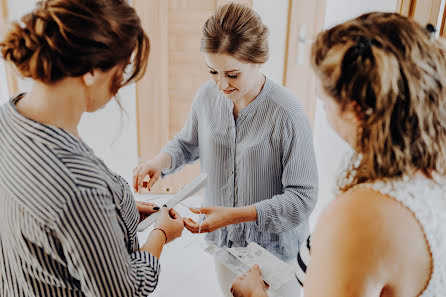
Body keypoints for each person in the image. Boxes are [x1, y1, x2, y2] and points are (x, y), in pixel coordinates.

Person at [231, 12, 446, 297]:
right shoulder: (434, 175)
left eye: (323, 101)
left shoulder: (359, 218)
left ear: (355, 110)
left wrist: (254, 296)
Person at [0, 0, 184, 296]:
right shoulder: (79, 188)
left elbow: (49, 226)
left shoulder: (9, 118)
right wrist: (161, 234)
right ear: (92, 71)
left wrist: (112, 215)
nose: (121, 81)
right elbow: (124, 291)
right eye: (122, 70)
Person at [133, 2, 318, 296]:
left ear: (259, 60)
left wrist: (237, 215)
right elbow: (186, 143)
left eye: (232, 75)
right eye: (212, 72)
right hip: (224, 245)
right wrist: (160, 161)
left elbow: (302, 199)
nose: (221, 85)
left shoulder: (287, 113)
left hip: (274, 258)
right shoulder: (207, 96)